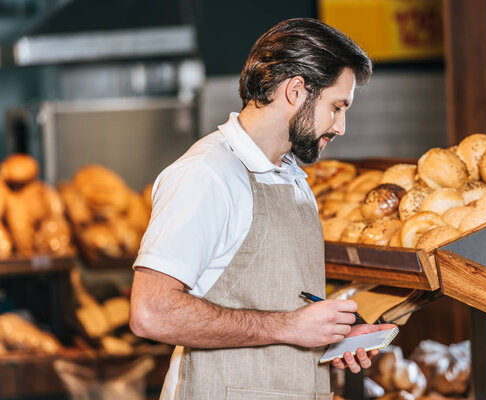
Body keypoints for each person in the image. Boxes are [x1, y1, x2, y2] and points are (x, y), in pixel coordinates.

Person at [129, 17, 395, 400]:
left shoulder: (291, 178)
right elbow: (150, 312)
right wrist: (289, 327)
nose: (341, 127)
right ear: (296, 90)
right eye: (337, 107)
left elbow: (282, 308)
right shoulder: (208, 173)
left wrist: (333, 336)